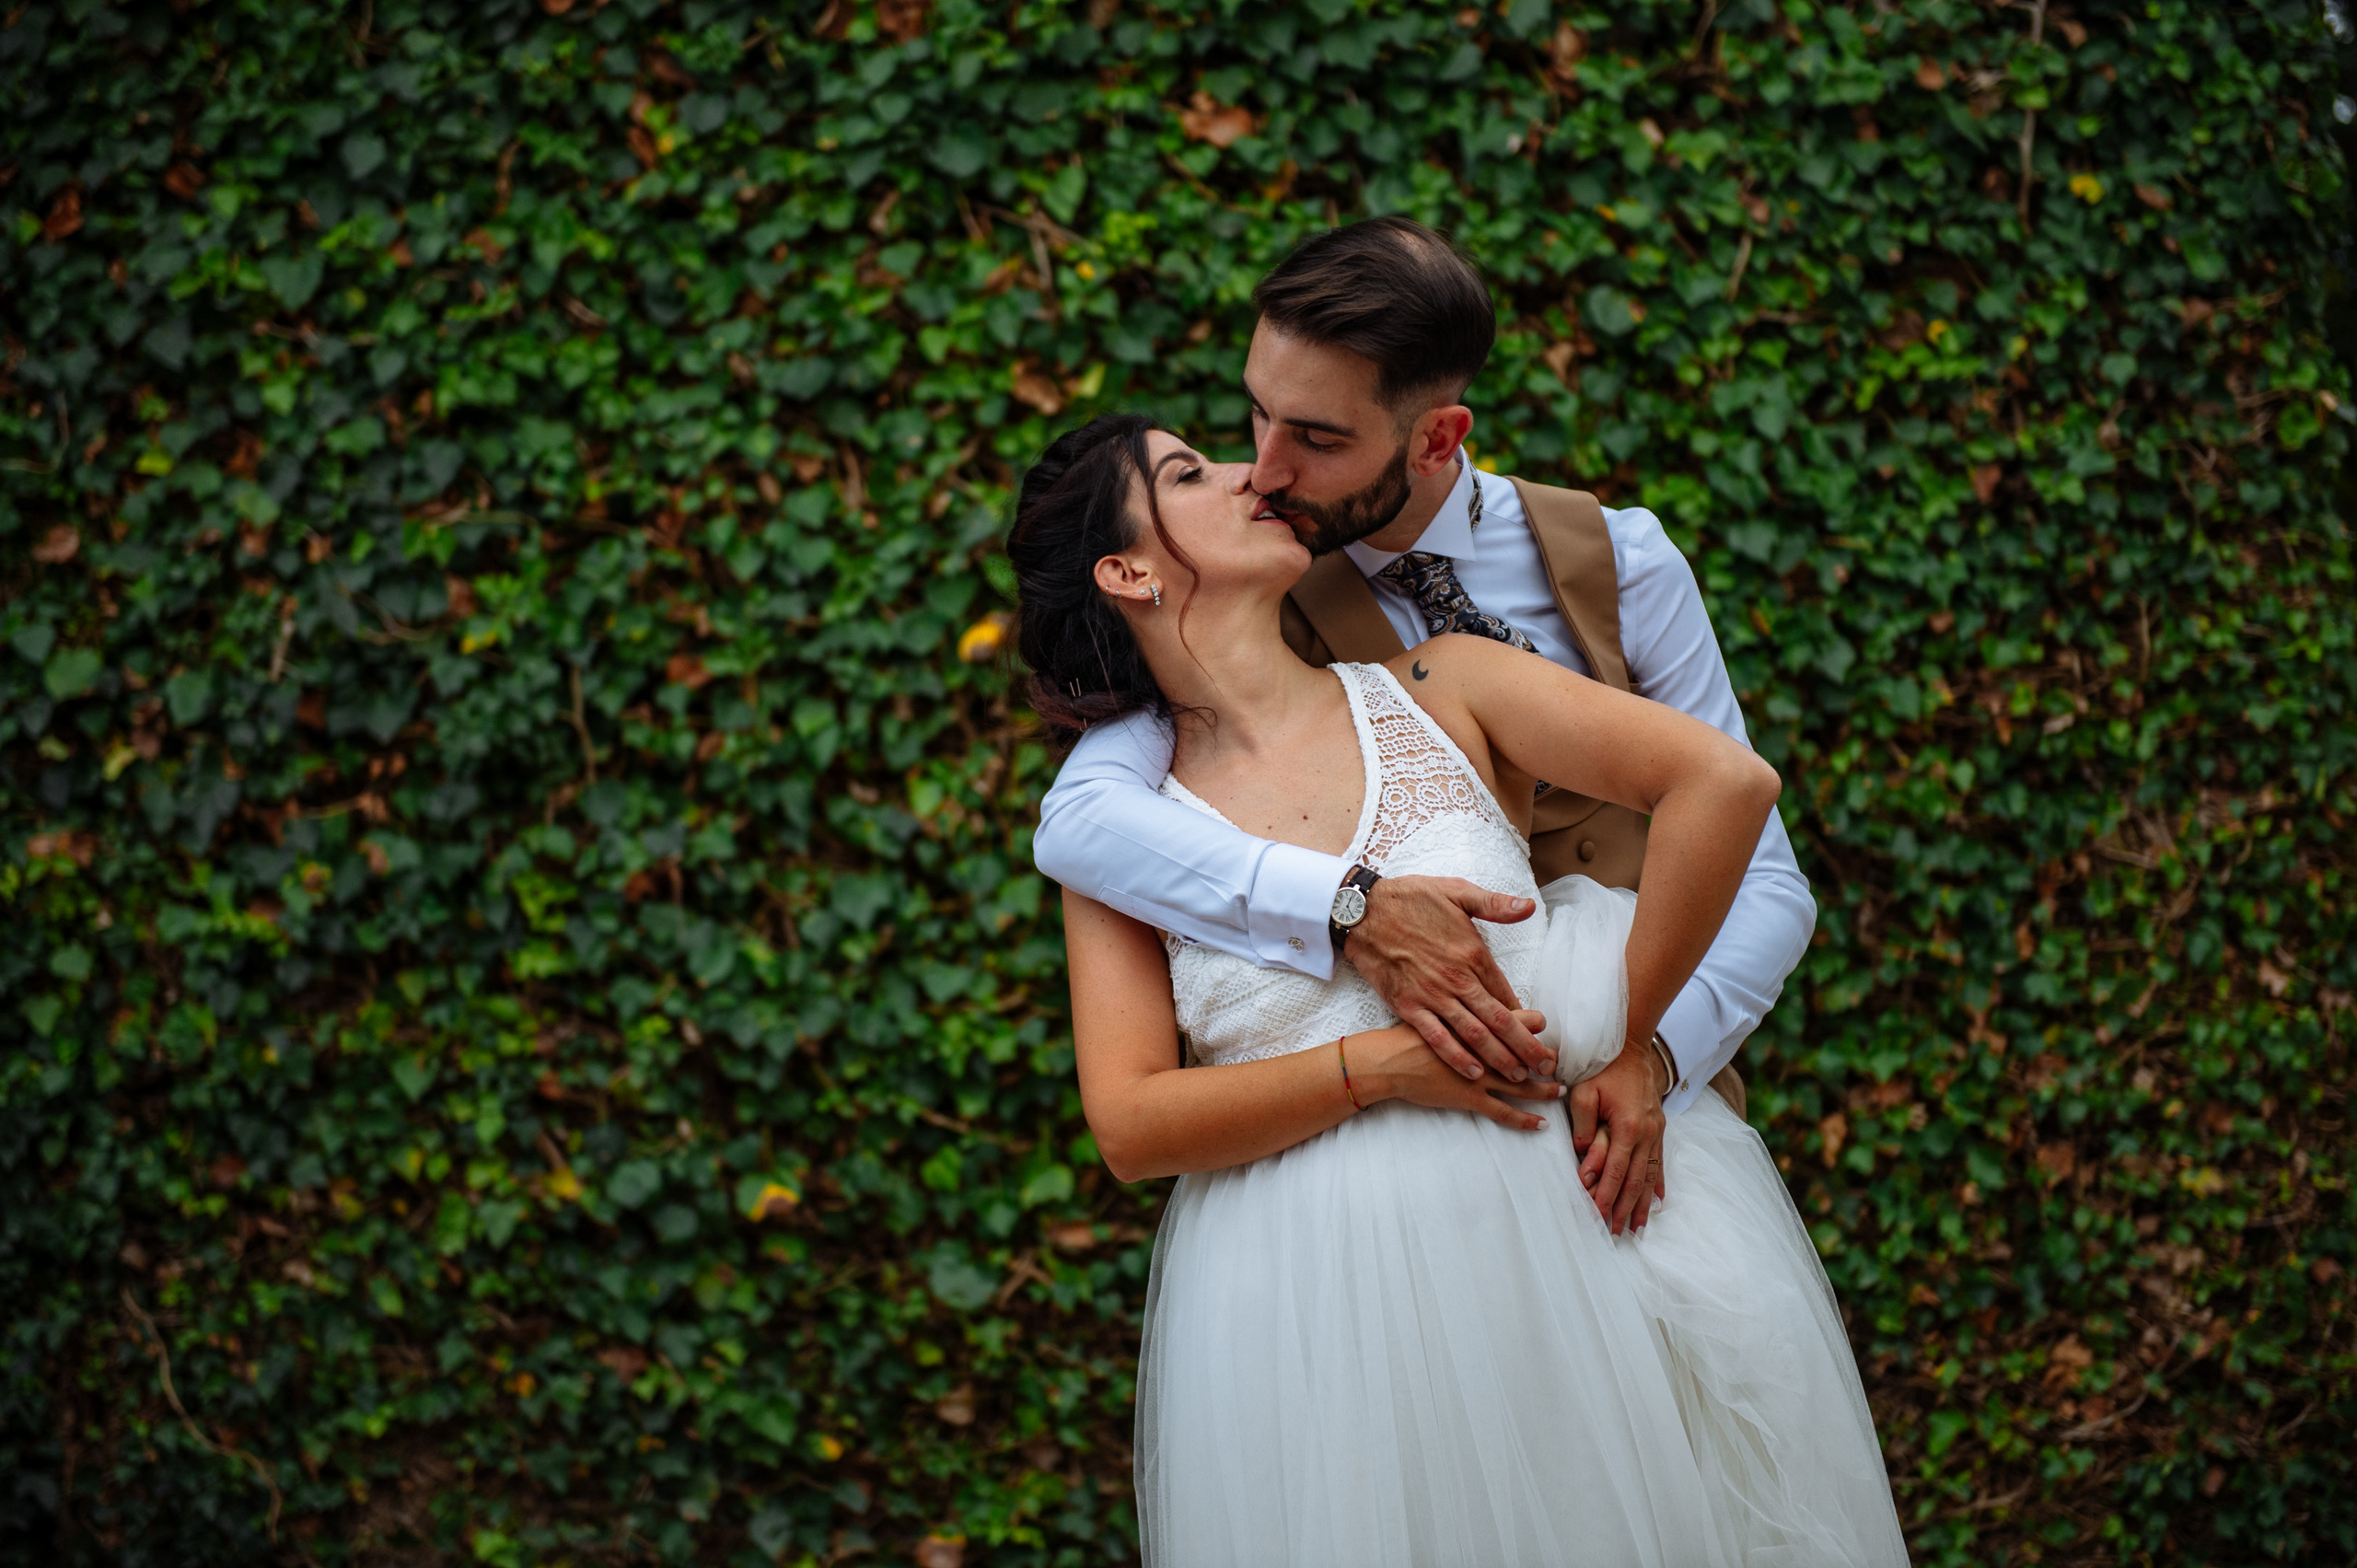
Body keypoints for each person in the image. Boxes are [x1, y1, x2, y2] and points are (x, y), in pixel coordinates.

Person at [1008, 413, 1907, 1567]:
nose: (1249, 471)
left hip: (1587, 1238)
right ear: (1128, 570)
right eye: (1189, 472)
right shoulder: (1119, 838)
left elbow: (1722, 783)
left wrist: (1634, 1039)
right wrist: (1376, 1069)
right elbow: (1130, 1124)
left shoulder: (1443, 686)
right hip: (1325, 1311)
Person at [1030, 216, 1817, 1233]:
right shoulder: (1242, 599)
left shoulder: (1618, 562)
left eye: (1314, 437)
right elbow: (1085, 820)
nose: (1262, 470)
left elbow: (1762, 868)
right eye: (1255, 415)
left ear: (1438, 435)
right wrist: (1347, 906)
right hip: (1366, 1202)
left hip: (1621, 1135)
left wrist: (1650, 1057)